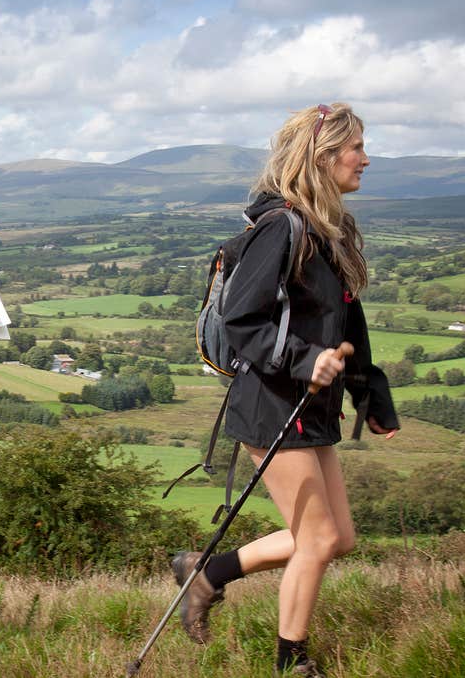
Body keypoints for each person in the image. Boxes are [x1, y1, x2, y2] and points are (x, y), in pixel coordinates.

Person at [169, 103, 400, 676]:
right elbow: (243, 320)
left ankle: (208, 572)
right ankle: (291, 662)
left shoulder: (328, 230)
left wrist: (369, 392)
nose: (366, 159)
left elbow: (347, 321)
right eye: (357, 148)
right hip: (273, 403)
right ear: (322, 156)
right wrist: (305, 359)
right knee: (317, 539)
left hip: (311, 402)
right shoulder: (282, 228)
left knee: (337, 537)